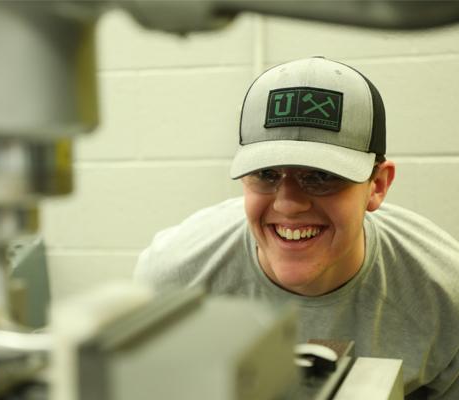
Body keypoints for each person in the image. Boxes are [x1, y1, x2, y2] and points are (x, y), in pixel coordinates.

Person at [134, 57, 459, 399]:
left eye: (321, 177)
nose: (288, 204)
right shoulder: (176, 280)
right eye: (266, 174)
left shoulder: (442, 297)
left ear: (377, 185)